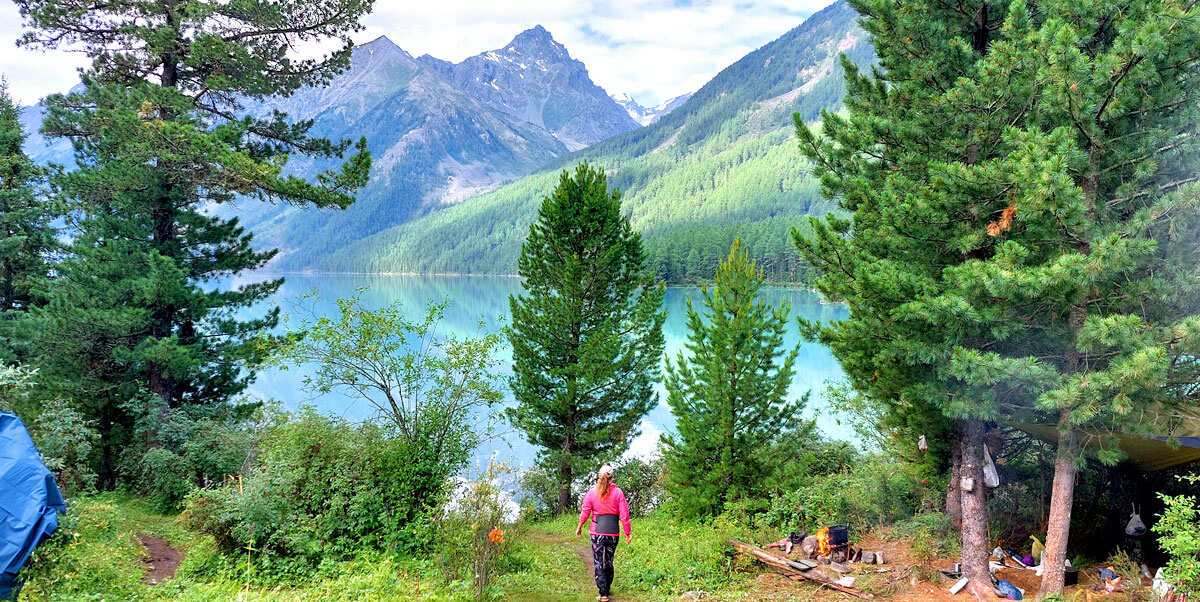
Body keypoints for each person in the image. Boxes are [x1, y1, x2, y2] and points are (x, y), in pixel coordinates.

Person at [576, 464, 631, 602]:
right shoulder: (618, 493)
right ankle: (606, 588)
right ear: (612, 477)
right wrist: (627, 533)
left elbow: (585, 512)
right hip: (613, 533)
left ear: (599, 477)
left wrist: (580, 526)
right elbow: (624, 514)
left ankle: (603, 593)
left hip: (597, 533)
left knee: (599, 561)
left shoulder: (592, 493)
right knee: (609, 561)